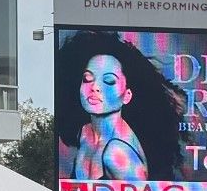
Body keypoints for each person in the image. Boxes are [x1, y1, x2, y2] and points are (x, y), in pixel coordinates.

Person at [56, 31, 186, 182]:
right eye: (87, 78)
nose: (95, 87)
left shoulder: (119, 153)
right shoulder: (85, 132)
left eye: (109, 81)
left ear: (127, 95)